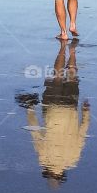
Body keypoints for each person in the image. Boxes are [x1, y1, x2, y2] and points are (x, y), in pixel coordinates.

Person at [17, 41, 90, 185]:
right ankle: (63, 49)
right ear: (48, 171)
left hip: (70, 110)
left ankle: (72, 52)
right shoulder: (45, 159)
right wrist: (30, 109)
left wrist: (86, 113)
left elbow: (82, 135)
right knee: (57, 77)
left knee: (72, 78)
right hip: (52, 110)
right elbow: (35, 133)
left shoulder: (73, 159)